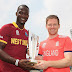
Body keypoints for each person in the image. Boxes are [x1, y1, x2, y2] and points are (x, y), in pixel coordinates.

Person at [0, 5, 35, 72]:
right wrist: (17, 62)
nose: (23, 16)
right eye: (21, 13)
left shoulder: (27, 33)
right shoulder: (7, 28)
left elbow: (21, 49)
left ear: (28, 16)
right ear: (16, 14)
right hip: (7, 70)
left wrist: (30, 50)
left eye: (26, 14)